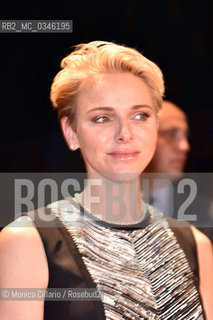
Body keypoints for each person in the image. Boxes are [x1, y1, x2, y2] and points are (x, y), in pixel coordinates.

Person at [0, 41, 212, 319]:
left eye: (140, 115)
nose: (125, 133)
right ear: (71, 132)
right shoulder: (27, 241)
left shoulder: (195, 244)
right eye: (102, 118)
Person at [144, 101, 213, 242]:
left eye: (186, 136)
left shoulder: (205, 213)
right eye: (170, 134)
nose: (184, 146)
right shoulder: (104, 208)